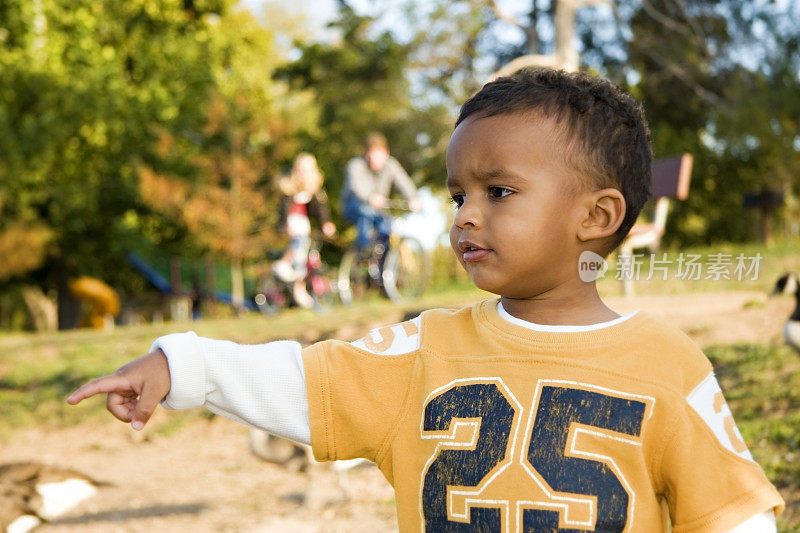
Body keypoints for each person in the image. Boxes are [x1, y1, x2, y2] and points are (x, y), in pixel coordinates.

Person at [68, 68, 783, 532]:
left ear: (595, 217)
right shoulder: (424, 347)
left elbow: (732, 514)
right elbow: (305, 380)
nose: (466, 215)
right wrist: (180, 364)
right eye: (458, 195)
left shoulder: (667, 364)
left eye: (497, 192)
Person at [271, 152, 336, 309]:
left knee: (306, 254)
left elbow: (321, 209)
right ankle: (283, 264)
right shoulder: (288, 188)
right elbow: (283, 211)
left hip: (304, 224)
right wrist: (285, 225)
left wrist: (326, 223)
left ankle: (299, 289)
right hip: (292, 223)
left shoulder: (314, 190)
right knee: (298, 244)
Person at [341, 132, 420, 253]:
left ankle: (381, 265)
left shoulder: (391, 165)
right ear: (366, 153)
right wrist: (369, 197)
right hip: (354, 206)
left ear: (386, 153)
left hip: (378, 210)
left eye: (377, 155)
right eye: (370, 155)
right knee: (365, 211)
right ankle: (363, 252)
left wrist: (413, 197)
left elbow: (404, 182)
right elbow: (355, 186)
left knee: (387, 227)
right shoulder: (355, 165)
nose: (374, 160)